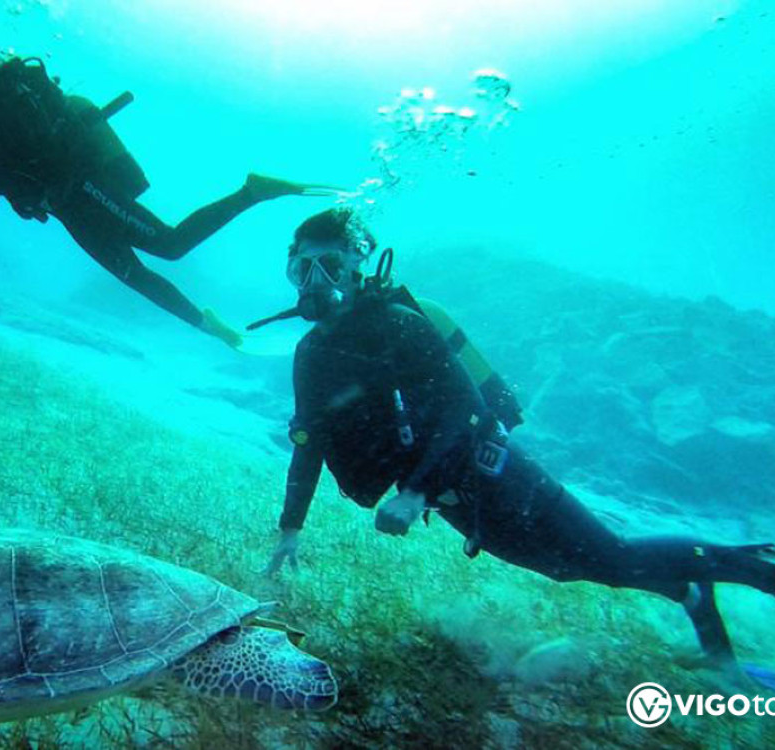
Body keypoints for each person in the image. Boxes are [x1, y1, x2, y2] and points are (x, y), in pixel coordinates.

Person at [261, 207, 775, 683]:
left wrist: (414, 492)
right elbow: (310, 439)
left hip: (495, 471)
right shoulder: (310, 353)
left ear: (355, 265)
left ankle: (755, 567)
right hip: (450, 497)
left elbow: (465, 409)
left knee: (612, 556)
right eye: (301, 270)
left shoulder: (402, 325)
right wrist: (290, 528)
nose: (314, 282)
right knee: (566, 568)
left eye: (329, 266)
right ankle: (690, 592)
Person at [0, 35, 332, 347]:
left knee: (170, 246)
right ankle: (210, 327)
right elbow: (23, 180)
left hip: (87, 191)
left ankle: (251, 192)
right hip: (71, 209)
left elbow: (37, 160)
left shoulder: (10, 103)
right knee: (135, 276)